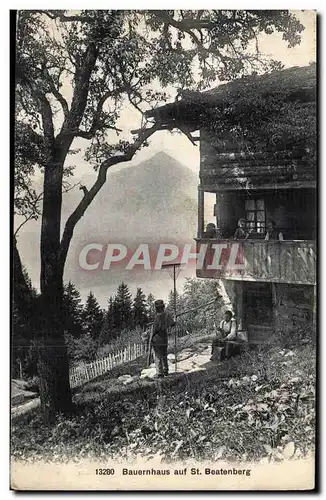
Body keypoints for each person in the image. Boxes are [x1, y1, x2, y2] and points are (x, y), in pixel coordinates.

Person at [151, 299, 175, 377]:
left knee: (157, 356)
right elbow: (172, 323)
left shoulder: (157, 318)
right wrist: (174, 322)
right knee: (164, 355)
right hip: (164, 338)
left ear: (156, 308)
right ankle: (166, 371)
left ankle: (160, 373)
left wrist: (150, 337)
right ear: (163, 307)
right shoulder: (167, 316)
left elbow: (155, 329)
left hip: (157, 340)